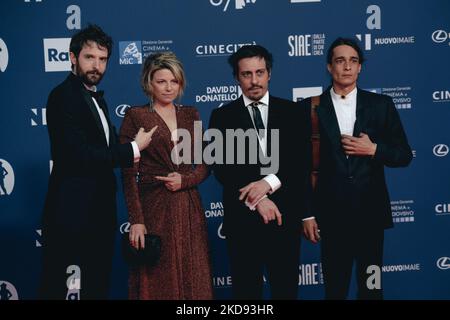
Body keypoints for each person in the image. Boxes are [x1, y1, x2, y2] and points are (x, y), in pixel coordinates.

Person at [39, 24, 156, 300]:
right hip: (68, 214)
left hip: (100, 214)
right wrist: (132, 149)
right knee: (55, 287)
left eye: (102, 59)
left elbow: (108, 148)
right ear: (72, 57)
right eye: (89, 57)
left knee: (97, 285)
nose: (97, 66)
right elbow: (77, 155)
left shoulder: (98, 100)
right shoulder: (62, 96)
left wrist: (134, 146)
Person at [301, 37, 413, 299]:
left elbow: (404, 155)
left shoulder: (381, 105)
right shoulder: (310, 108)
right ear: (330, 67)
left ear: (360, 67)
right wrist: (306, 214)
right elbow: (299, 167)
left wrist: (373, 149)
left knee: (372, 289)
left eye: (353, 61)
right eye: (340, 61)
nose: (347, 67)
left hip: (371, 217)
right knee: (335, 290)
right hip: (331, 215)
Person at [208, 45, 310, 299]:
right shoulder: (221, 116)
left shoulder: (294, 112)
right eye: (246, 74)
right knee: (246, 293)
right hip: (242, 221)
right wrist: (259, 198)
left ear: (269, 73)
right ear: (236, 77)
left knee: (285, 290)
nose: (254, 81)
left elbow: (301, 161)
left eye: (260, 72)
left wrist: (269, 183)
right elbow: (222, 168)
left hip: (284, 218)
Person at [119, 52, 213, 300]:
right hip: (155, 208)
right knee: (159, 278)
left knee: (193, 273)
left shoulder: (190, 114)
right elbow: (128, 174)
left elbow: (205, 163)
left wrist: (186, 180)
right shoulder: (135, 116)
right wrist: (137, 220)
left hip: (188, 206)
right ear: (149, 83)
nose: (169, 87)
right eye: (162, 81)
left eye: (174, 81)